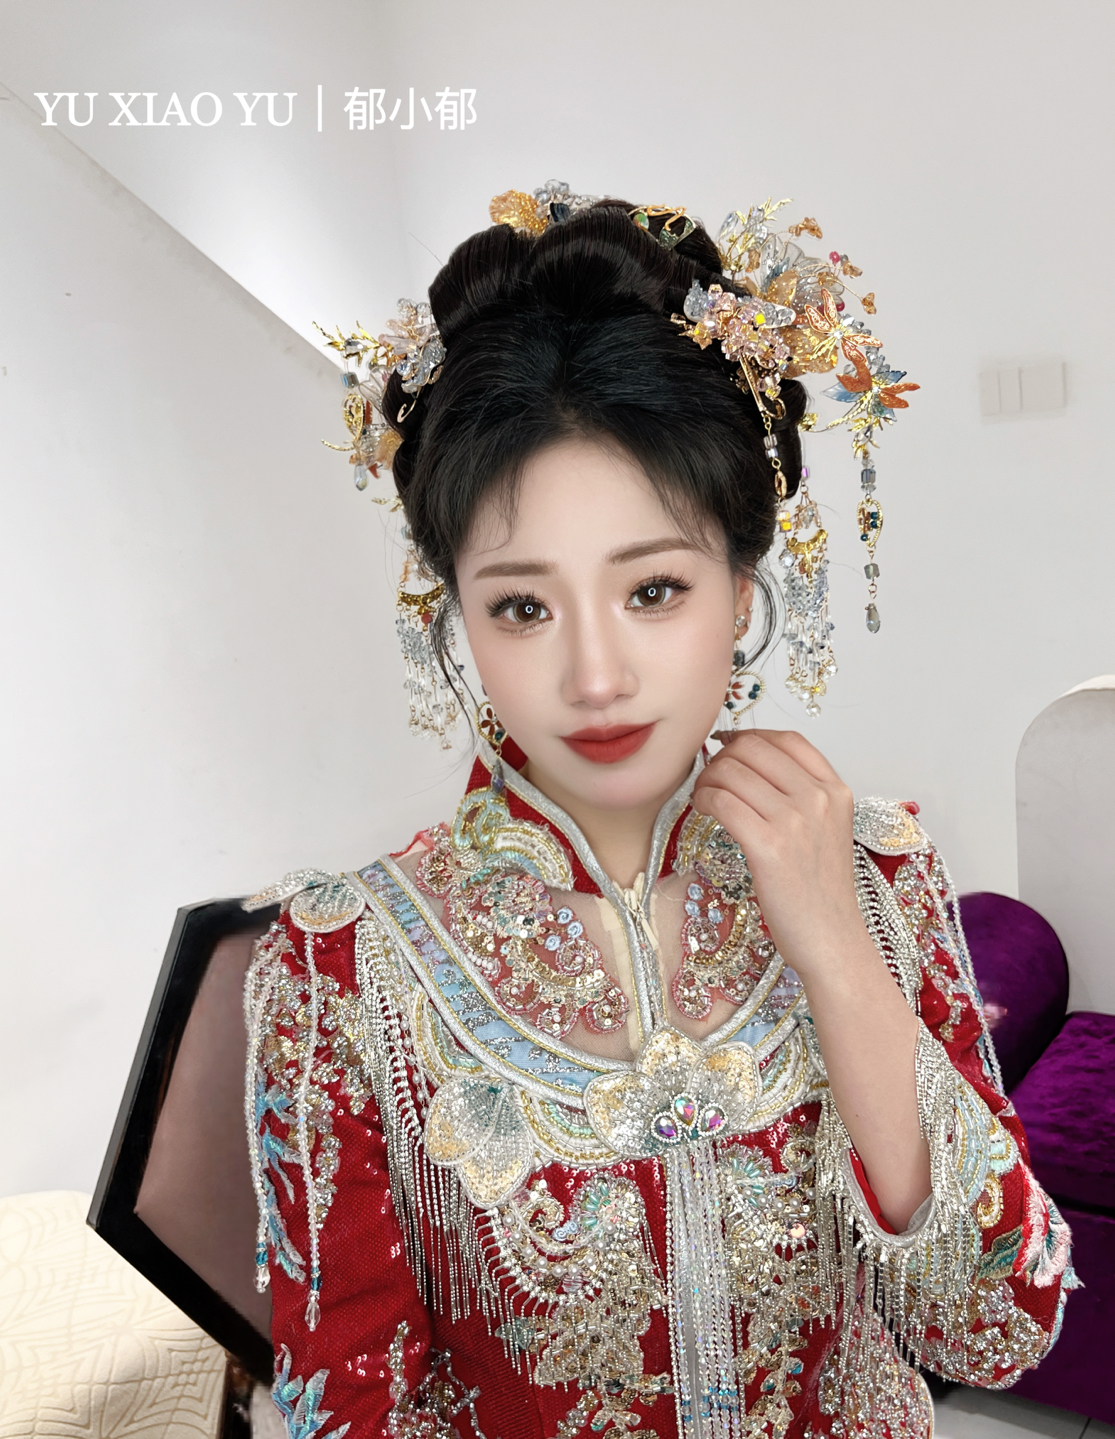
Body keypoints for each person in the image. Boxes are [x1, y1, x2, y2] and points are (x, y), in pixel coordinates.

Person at [244, 185, 1075, 1439]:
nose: (594, 677)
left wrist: (836, 951)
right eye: (522, 606)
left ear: (741, 588)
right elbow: (346, 1408)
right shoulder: (341, 970)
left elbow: (996, 1324)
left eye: (652, 590)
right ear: (454, 616)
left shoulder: (876, 873)